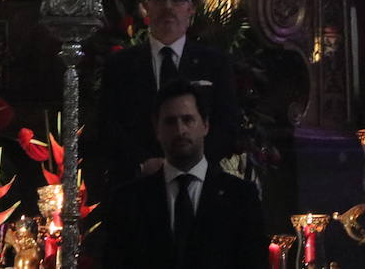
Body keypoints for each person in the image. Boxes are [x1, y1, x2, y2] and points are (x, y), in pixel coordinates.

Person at [99, 81, 266, 269]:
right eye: (170, 122)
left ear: (205, 124)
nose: (180, 131)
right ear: (157, 129)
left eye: (188, 120)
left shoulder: (241, 197)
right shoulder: (129, 201)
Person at [98, 0, 241, 186]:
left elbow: (228, 124)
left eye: (177, 0)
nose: (168, 8)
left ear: (190, 9)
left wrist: (189, 164)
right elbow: (108, 126)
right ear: (144, 8)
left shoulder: (215, 64)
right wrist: (143, 163)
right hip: (137, 187)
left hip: (199, 185)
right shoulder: (120, 65)